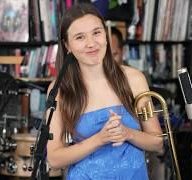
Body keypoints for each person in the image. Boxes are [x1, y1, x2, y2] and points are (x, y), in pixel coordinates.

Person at [46, 3, 163, 180]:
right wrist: (100, 139)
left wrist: (128, 133)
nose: (91, 43)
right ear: (67, 45)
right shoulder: (60, 90)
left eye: (97, 33)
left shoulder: (134, 79)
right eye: (80, 37)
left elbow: (157, 142)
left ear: (106, 35)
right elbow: (54, 158)